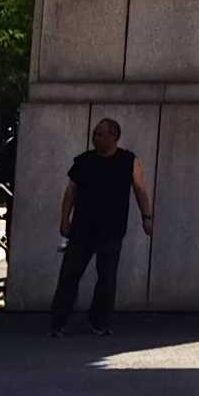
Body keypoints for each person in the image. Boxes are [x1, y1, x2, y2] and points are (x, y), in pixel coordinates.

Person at [51, 116, 153, 335]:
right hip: (82, 227)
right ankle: (58, 321)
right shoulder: (83, 161)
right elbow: (70, 192)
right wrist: (64, 219)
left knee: (107, 277)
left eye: (100, 134)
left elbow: (140, 189)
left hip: (112, 228)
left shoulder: (128, 161)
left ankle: (100, 321)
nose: (95, 138)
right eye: (94, 134)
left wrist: (146, 216)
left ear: (113, 137)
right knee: (70, 274)